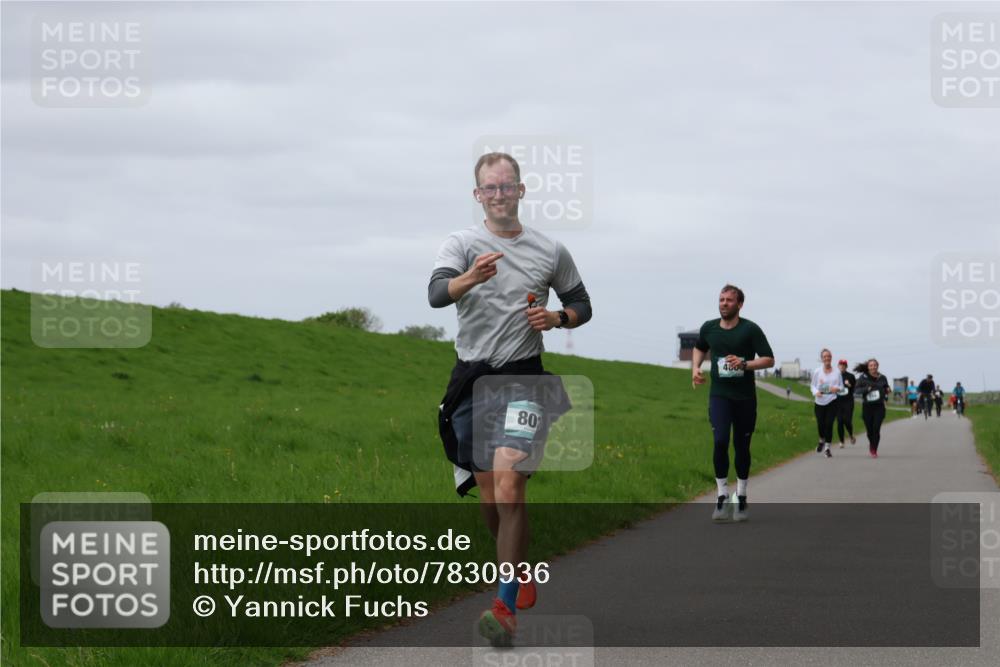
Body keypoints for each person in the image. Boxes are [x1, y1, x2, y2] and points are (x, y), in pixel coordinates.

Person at [430, 152, 593, 645]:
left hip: (524, 380)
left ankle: (502, 608)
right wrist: (470, 279)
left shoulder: (549, 249)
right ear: (478, 194)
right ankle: (516, 568)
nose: (499, 194)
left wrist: (558, 318)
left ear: (521, 190)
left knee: (509, 485)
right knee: (487, 493)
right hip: (473, 380)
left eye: (507, 186)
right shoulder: (461, 243)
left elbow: (581, 303)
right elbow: (436, 294)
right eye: (490, 188)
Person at [692, 284, 775, 523]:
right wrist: (695, 368)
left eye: (729, 300)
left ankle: (741, 495)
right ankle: (722, 496)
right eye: (721, 299)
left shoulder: (750, 329)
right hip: (719, 395)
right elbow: (699, 347)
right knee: (720, 441)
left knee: (741, 446)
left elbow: (769, 359)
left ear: (739, 304)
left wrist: (745, 364)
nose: (724, 304)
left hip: (745, 398)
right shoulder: (709, 328)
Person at [811, 349, 843, 458]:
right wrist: (816, 392)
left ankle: (827, 448)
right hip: (819, 402)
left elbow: (841, 387)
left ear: (831, 358)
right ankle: (821, 440)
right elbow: (812, 386)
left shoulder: (837, 372)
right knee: (821, 424)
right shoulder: (817, 372)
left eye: (828, 356)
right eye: (824, 356)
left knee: (829, 424)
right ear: (822, 359)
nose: (827, 358)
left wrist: (836, 388)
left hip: (832, 401)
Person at [855, 359, 890, 457]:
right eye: (871, 365)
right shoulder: (863, 378)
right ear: (868, 367)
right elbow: (857, 390)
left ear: (877, 366)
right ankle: (872, 444)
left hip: (879, 406)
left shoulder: (882, 377)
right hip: (867, 407)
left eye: (875, 365)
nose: (873, 367)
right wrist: (867, 389)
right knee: (869, 431)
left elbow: (886, 388)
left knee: (876, 428)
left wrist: (887, 390)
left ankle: (874, 449)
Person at [835, 358, 857, 448]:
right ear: (838, 366)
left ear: (846, 366)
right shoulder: (835, 376)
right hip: (837, 402)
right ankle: (841, 441)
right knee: (840, 421)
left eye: (844, 365)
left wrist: (849, 385)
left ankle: (851, 435)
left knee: (847, 421)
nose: (842, 366)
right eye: (840, 365)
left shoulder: (851, 376)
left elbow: (855, 388)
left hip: (848, 402)